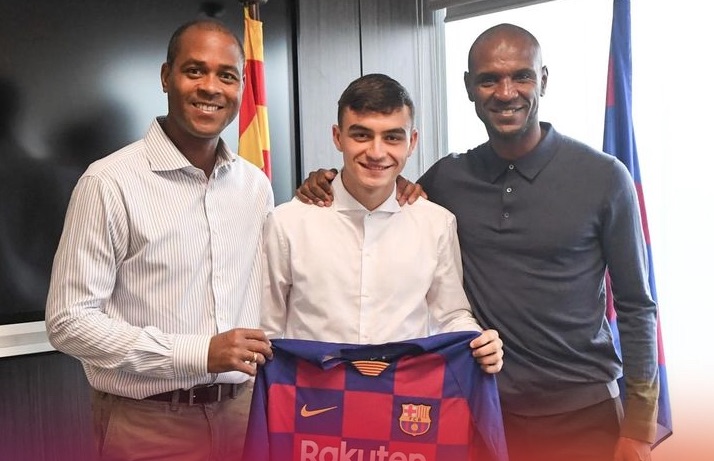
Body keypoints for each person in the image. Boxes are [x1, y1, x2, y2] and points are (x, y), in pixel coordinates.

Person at [296, 24, 659, 461]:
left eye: (521, 76)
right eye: (489, 79)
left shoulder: (604, 177)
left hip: (583, 414)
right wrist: (327, 181)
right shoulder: (447, 178)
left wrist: (640, 428)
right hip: (475, 408)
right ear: (470, 87)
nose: (506, 92)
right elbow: (382, 191)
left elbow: (637, 306)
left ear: (543, 80)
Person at [45, 18, 273, 461]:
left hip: (246, 416)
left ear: (242, 87)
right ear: (166, 76)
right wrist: (198, 353)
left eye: (227, 75)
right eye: (195, 70)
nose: (211, 88)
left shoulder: (254, 186)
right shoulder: (109, 183)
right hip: (149, 426)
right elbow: (69, 322)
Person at [261, 73, 502, 370]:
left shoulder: (437, 224)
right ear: (337, 137)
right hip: (310, 392)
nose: (376, 152)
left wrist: (479, 342)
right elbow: (266, 328)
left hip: (405, 393)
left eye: (392, 137)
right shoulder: (286, 223)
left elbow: (451, 316)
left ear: (412, 142)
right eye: (361, 135)